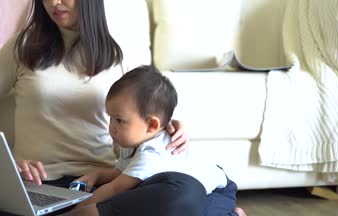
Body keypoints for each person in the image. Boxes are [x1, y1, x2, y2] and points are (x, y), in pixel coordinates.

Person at [0, 0, 244, 215]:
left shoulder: (120, 51)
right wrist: (8, 164)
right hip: (37, 185)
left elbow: (149, 108)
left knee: (184, 192)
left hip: (105, 187)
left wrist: (174, 124)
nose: (53, 1)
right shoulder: (23, 46)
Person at [65, 65, 246, 216]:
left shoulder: (152, 153)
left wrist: (78, 209)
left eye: (119, 120)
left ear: (152, 125)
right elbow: (121, 173)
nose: (112, 127)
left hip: (216, 190)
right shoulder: (132, 141)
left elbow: (115, 188)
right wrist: (96, 175)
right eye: (110, 118)